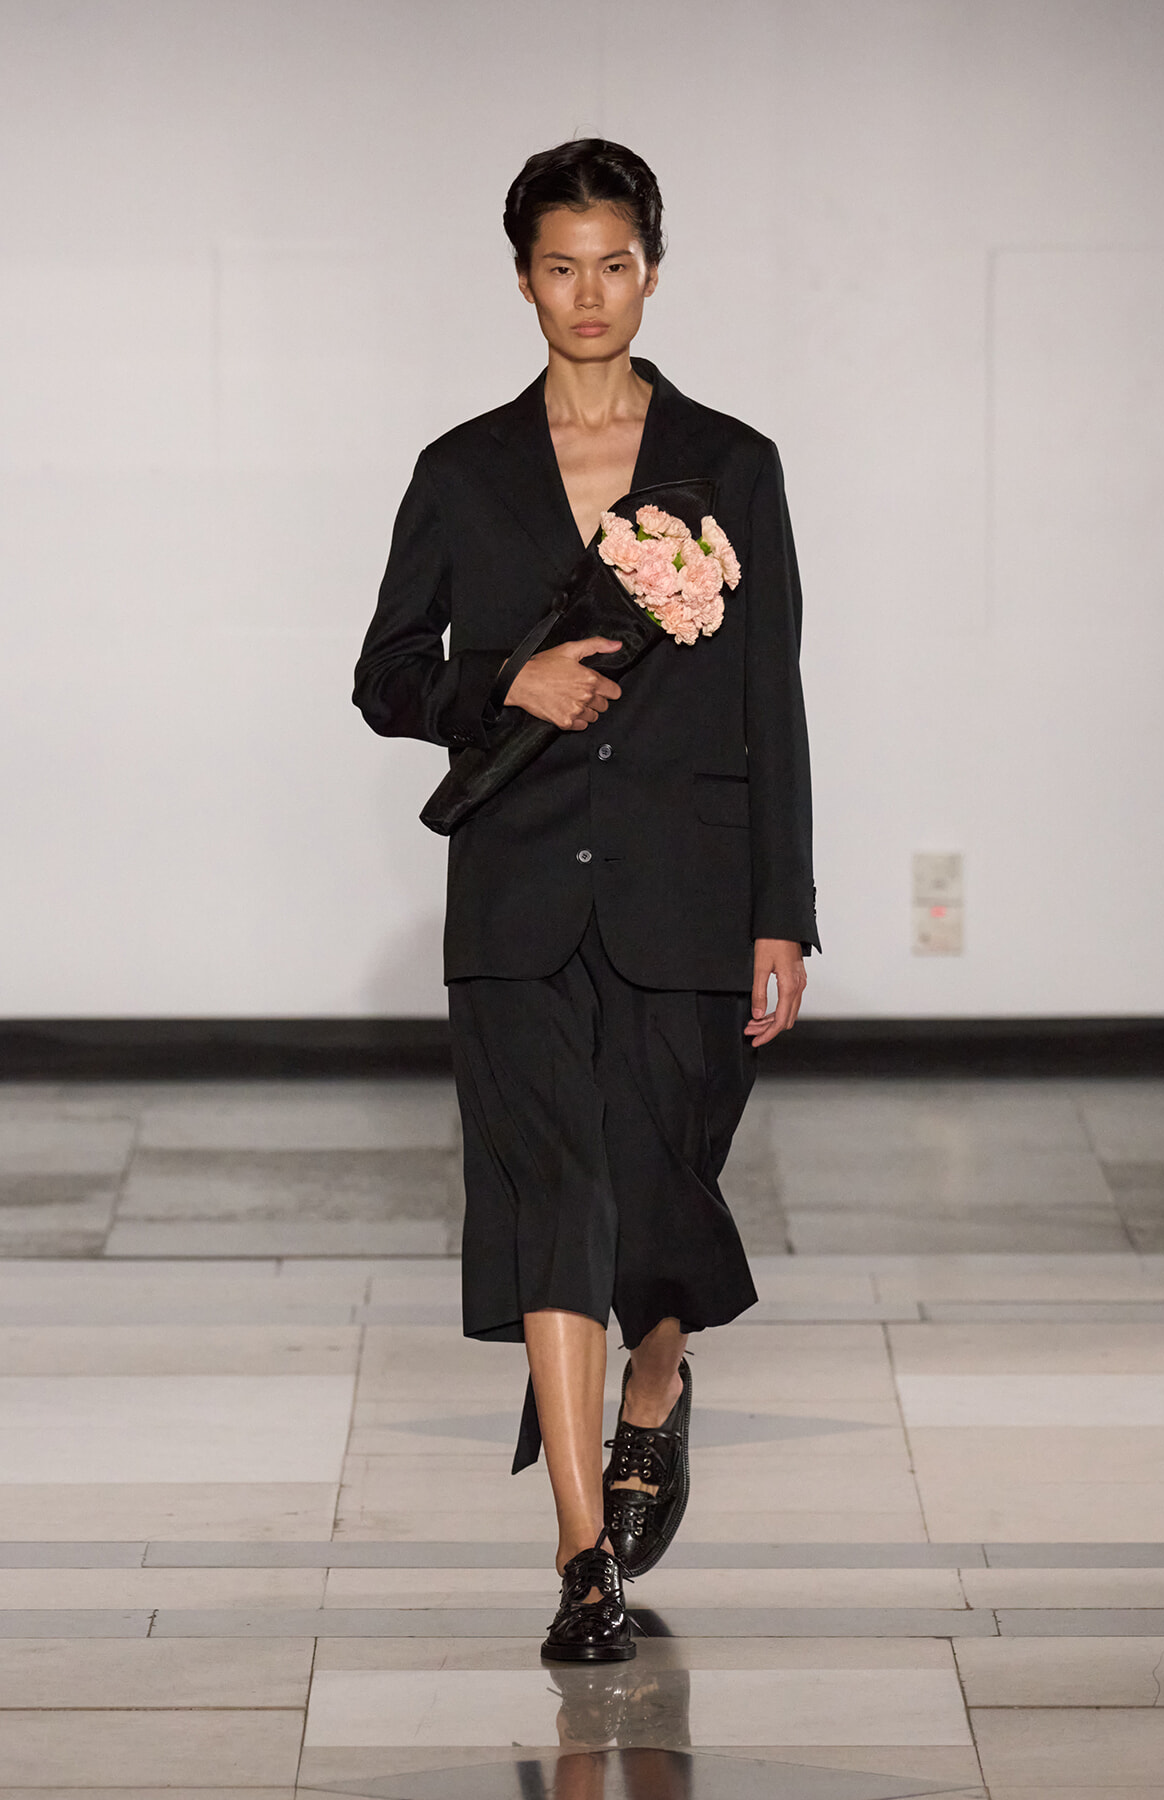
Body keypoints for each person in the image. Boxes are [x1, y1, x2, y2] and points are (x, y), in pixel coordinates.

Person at [353, 139, 819, 1664]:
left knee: (657, 1193)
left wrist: (782, 912)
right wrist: (506, 683)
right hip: (515, 906)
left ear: (653, 271)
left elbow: (770, 696)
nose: (589, 294)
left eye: (615, 264)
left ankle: (658, 1383)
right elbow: (383, 677)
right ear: (522, 279)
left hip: (686, 897)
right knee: (550, 1205)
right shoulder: (462, 470)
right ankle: (579, 1560)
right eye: (561, 266)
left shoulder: (728, 464)